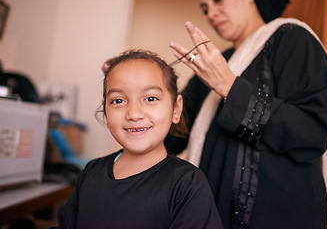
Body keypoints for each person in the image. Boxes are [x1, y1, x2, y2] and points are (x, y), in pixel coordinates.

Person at [165, 0, 327, 228]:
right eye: (204, 9)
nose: (211, 13)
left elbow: (312, 133)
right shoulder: (216, 63)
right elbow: (174, 134)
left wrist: (229, 86)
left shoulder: (292, 38)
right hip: (214, 217)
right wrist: (135, 95)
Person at [55, 49, 223, 229]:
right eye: (118, 101)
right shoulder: (91, 172)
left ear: (175, 109)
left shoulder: (187, 183)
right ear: (105, 111)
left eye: (150, 98)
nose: (134, 114)